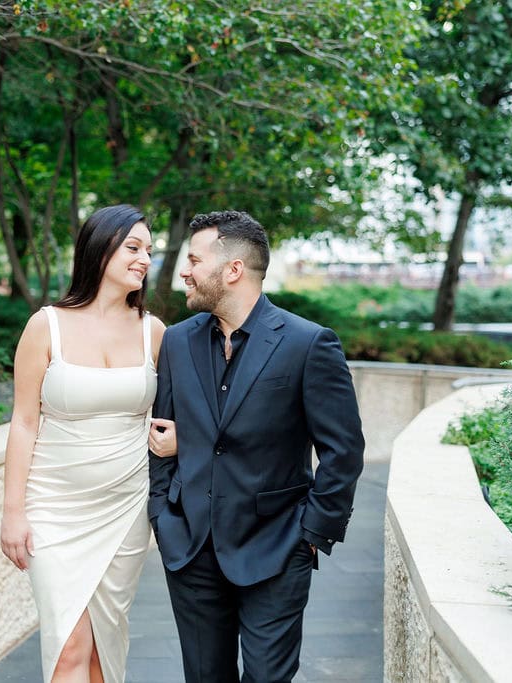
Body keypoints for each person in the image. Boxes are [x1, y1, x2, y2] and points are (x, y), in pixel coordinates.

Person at [147, 210, 364, 682]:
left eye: (194, 260)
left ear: (233, 270)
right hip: (191, 548)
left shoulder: (309, 344)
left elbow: (343, 451)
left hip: (278, 547)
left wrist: (311, 536)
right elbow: (161, 432)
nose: (185, 270)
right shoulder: (178, 342)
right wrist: (163, 515)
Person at [0, 204, 168, 683]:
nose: (144, 260)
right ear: (100, 248)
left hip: (125, 508)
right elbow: (23, 422)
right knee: (69, 645)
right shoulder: (45, 325)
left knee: (104, 647)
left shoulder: (152, 332)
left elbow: (174, 415)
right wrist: (14, 512)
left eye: (149, 251)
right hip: (53, 505)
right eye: (133, 247)